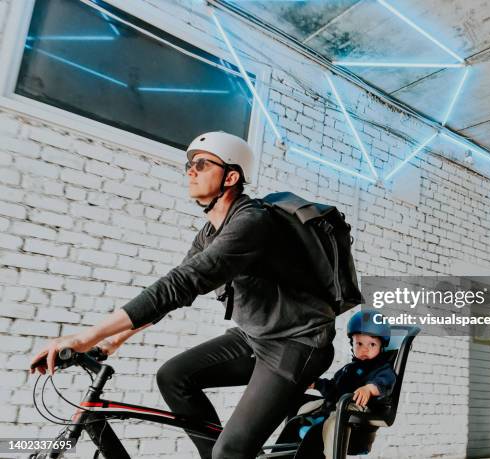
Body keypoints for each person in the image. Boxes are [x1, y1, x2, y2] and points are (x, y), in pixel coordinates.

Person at [30, 131, 336, 459]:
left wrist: (84, 338)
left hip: (299, 342)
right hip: (256, 335)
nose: (191, 170)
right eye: (189, 164)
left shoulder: (253, 223)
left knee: (230, 453)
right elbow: (173, 291)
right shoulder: (209, 233)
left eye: (202, 164)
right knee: (174, 377)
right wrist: (118, 338)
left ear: (231, 176)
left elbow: (181, 284)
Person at [298, 310, 396, 459]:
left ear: (382, 345)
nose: (365, 348)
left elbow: (385, 381)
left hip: (356, 414)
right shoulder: (348, 369)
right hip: (337, 405)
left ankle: (329, 449)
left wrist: (369, 389)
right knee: (304, 407)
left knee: (338, 413)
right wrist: (316, 384)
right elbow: (333, 387)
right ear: (352, 344)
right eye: (359, 343)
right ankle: (314, 421)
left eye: (372, 344)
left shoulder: (381, 367)